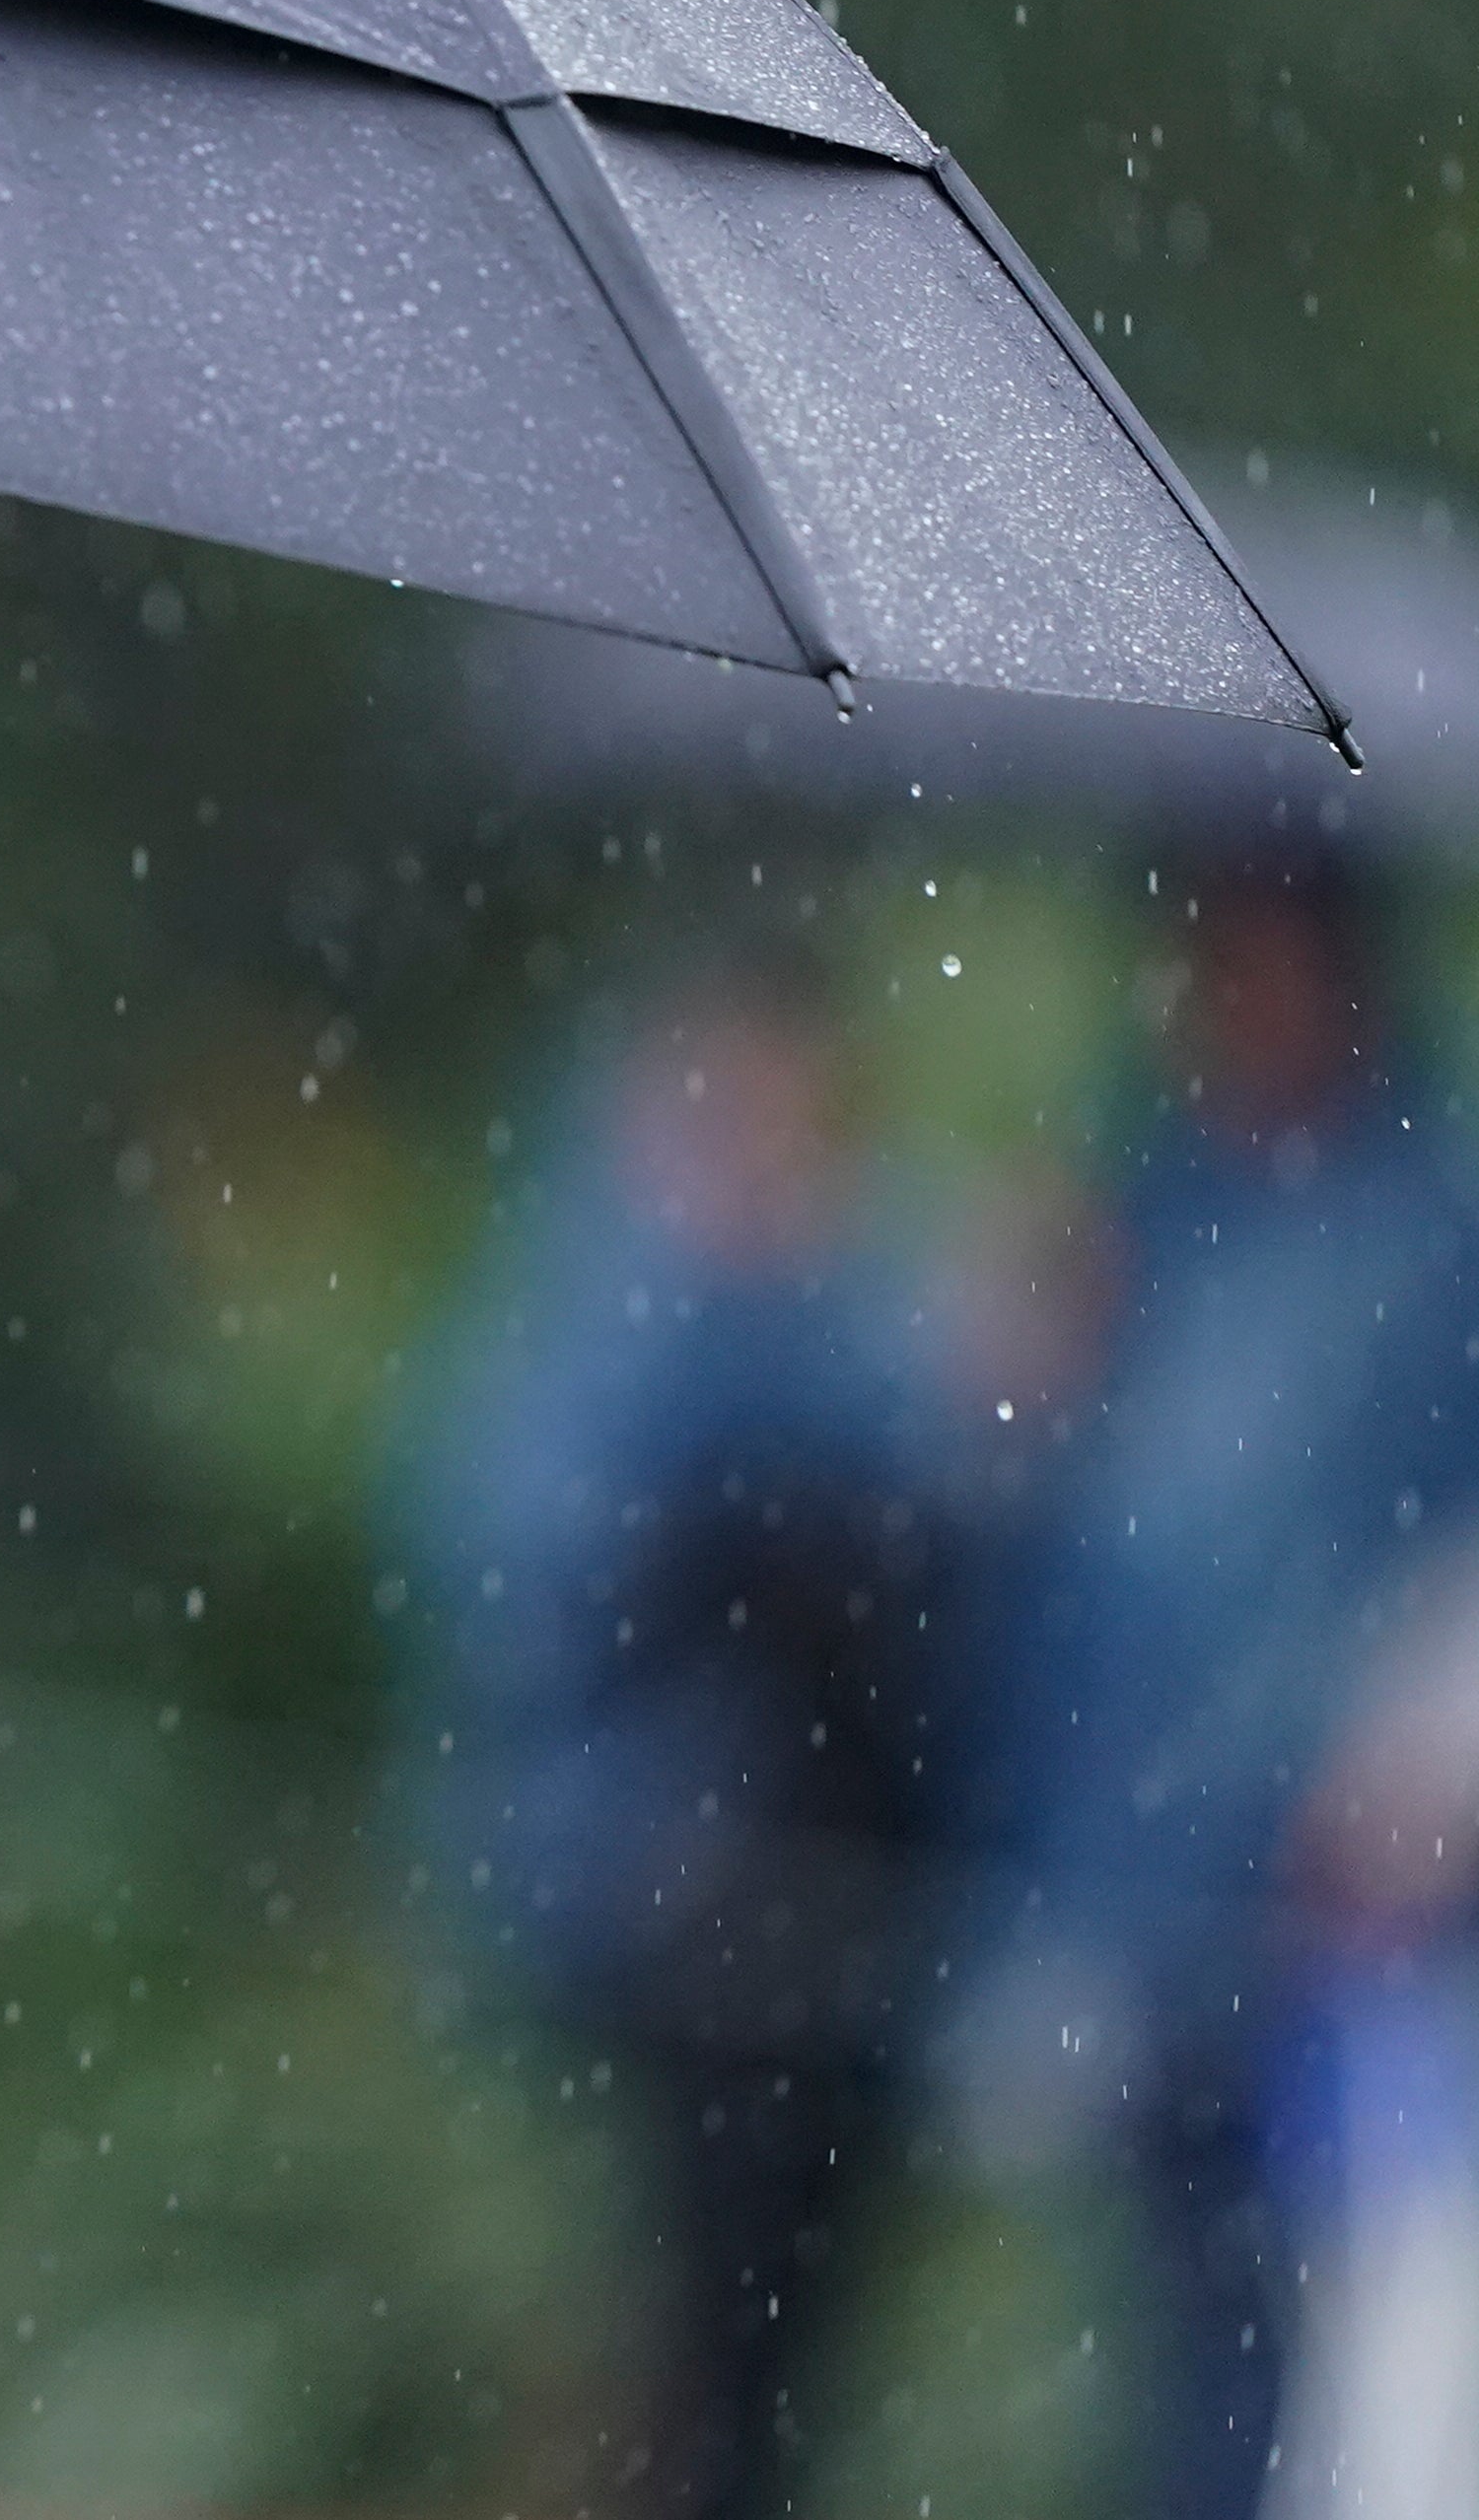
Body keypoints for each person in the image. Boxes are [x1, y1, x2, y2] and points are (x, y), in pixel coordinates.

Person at [952, 842, 1479, 2520]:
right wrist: (1004, 1377)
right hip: (1159, 1933)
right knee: (1192, 2392)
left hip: (1377, 1947)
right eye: (1212, 951)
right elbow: (1025, 1577)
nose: (1238, 994)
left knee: (1399, 2410)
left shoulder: (1466, 1217)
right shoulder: (1133, 1209)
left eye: (1273, 952)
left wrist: (1454, 1759)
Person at [414, 940, 958, 2520]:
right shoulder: (599, 1291)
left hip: (839, 1911)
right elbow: (530, 1581)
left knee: (782, 2344)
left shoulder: (857, 1290)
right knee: (699, 2329)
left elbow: (923, 1538)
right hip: (662, 1915)